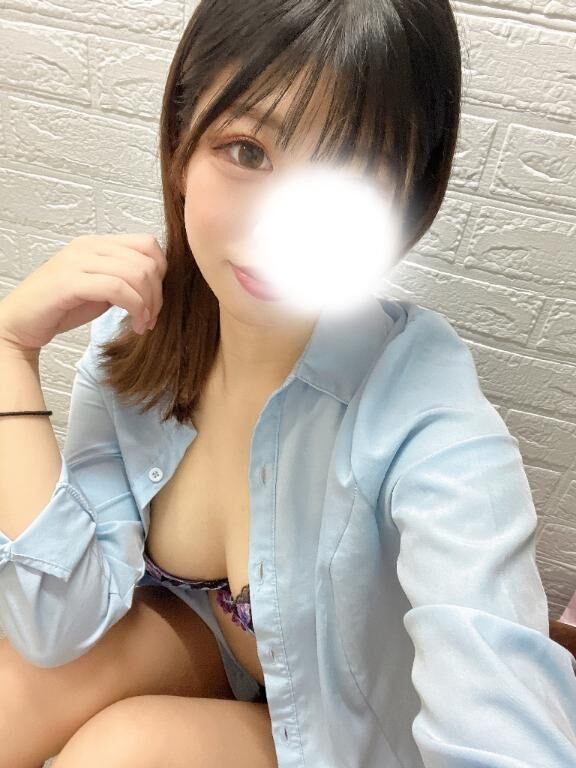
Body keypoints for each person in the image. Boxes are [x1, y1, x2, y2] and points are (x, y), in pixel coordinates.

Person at [1, 1, 576, 767]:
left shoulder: (424, 412)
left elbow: (500, 715)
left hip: (351, 728)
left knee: (117, 754)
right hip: (213, 646)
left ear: (409, 198)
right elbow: (56, 620)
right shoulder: (135, 332)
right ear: (180, 143)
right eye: (247, 151)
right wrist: (9, 350)